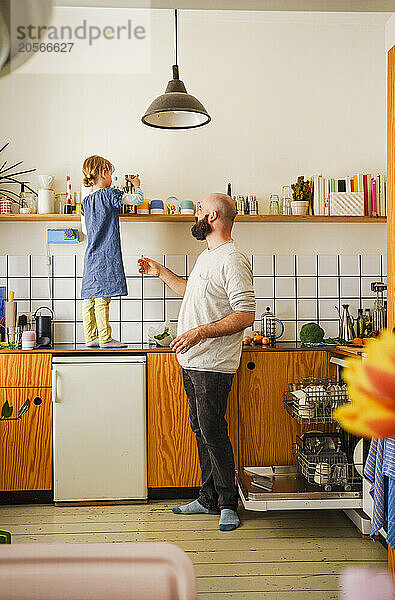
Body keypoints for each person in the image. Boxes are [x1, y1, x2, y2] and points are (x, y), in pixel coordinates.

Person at [138, 193, 255, 531]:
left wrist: (201, 332)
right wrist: (161, 272)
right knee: (201, 430)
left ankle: (227, 504)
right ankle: (207, 499)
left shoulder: (232, 258)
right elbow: (190, 291)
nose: (197, 215)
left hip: (213, 364)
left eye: (201, 210)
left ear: (214, 216)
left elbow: (246, 314)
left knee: (213, 432)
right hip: (192, 361)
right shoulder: (208, 257)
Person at [81, 155, 144, 348]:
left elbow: (84, 229)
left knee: (89, 297)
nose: (111, 178)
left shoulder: (85, 201)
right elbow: (137, 200)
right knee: (103, 297)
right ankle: (105, 338)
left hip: (91, 254)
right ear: (103, 171)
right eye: (111, 173)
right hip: (106, 253)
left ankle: (90, 337)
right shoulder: (111, 194)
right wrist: (137, 184)